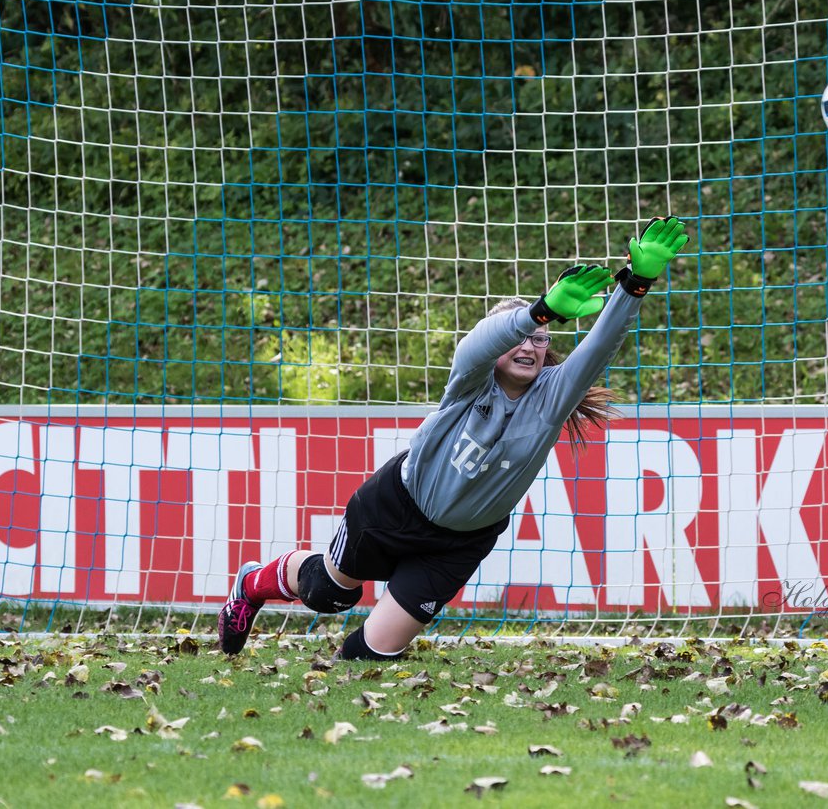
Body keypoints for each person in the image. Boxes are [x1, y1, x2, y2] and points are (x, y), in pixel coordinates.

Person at [217, 217, 691, 660]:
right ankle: (253, 584)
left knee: (371, 654)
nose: (529, 346)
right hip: (394, 507)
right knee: (330, 595)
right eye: (523, 337)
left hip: (461, 541)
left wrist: (634, 284)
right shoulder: (471, 379)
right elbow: (477, 344)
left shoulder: (553, 396)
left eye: (541, 341)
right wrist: (539, 312)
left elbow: (600, 345)